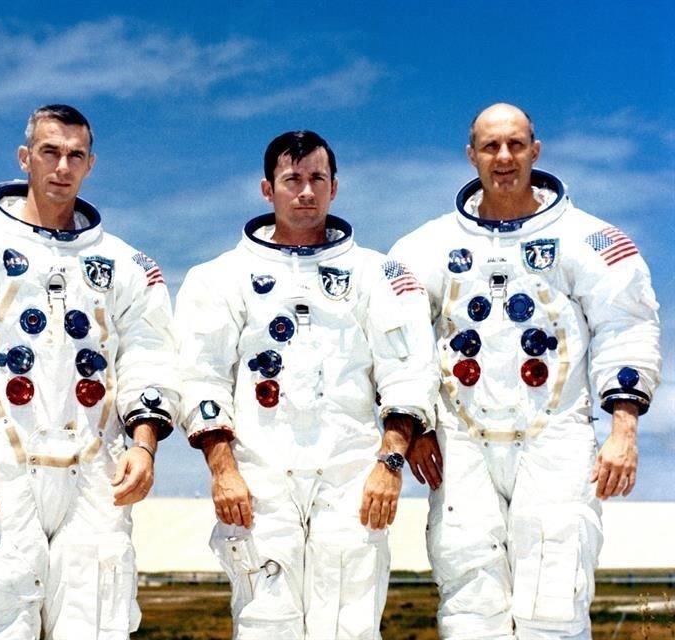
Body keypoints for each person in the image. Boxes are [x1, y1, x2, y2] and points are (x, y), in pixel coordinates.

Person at [0, 104, 180, 640]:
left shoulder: (127, 265)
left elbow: (151, 354)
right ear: (26, 158)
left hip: (97, 468)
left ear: (90, 164)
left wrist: (144, 446)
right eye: (50, 152)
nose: (62, 167)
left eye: (75, 155)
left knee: (96, 619)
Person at [391, 103, 662, 639]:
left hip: (555, 434)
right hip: (460, 441)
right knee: (470, 598)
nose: (504, 157)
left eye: (516, 144)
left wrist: (623, 431)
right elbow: (398, 339)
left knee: (554, 597)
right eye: (491, 146)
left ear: (536, 151)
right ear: (471, 156)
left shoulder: (591, 241)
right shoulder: (426, 247)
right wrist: (415, 426)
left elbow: (626, 328)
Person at [175, 130, 439, 639]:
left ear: (335, 187)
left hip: (352, 475)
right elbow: (201, 376)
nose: (305, 192)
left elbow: (406, 374)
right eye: (291, 179)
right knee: (264, 622)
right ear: (266, 188)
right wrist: (222, 469)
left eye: (317, 178)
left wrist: (389, 463)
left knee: (350, 622)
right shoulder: (218, 279)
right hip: (258, 475)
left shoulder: (379, 275)